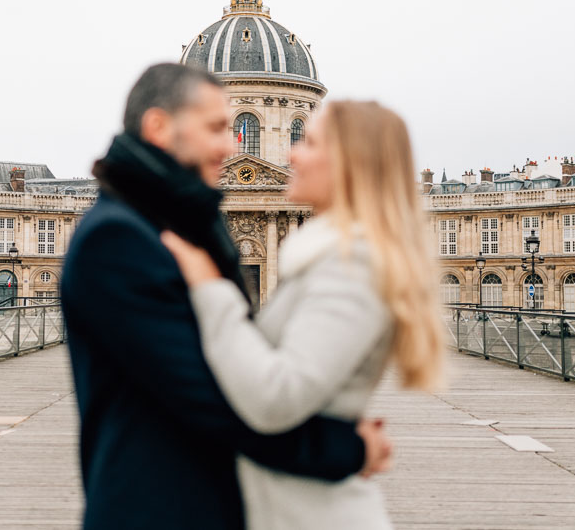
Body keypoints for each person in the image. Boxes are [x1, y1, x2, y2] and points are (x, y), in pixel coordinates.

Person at [61, 64, 392, 530]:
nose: (232, 144)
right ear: (159, 126)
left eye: (242, 127)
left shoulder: (183, 222)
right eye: (220, 127)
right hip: (157, 507)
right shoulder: (119, 237)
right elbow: (211, 400)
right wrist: (345, 447)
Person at [161, 100, 444, 530]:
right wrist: (346, 445)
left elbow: (277, 395)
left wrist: (209, 288)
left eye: (305, 139)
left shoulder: (356, 263)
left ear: (352, 164)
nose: (290, 153)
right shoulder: (329, 255)